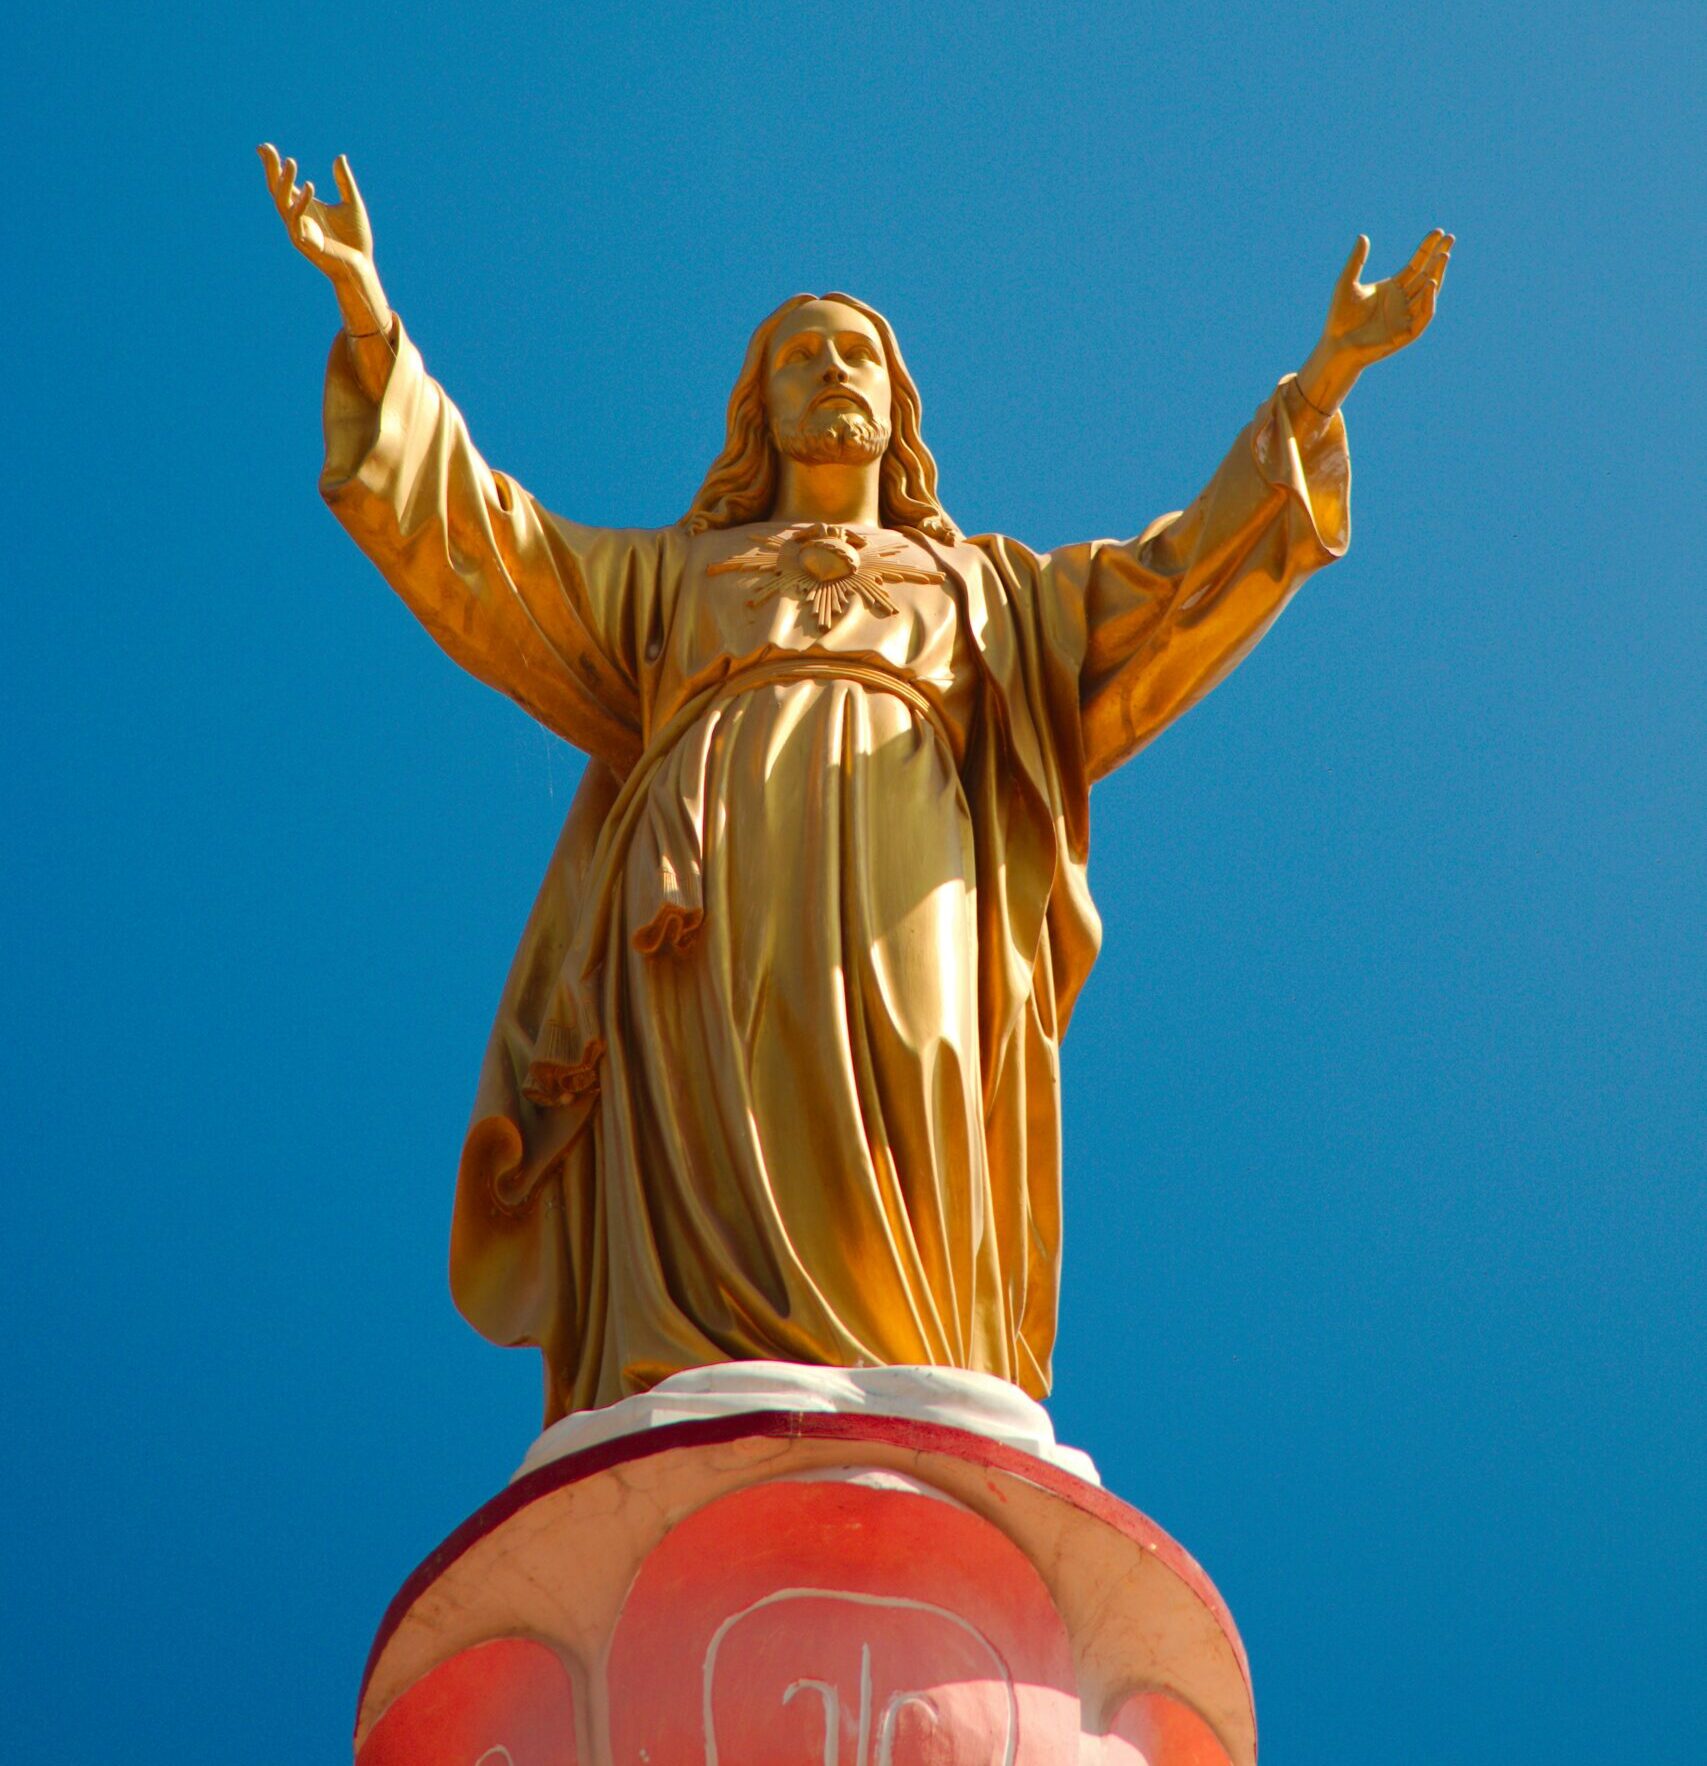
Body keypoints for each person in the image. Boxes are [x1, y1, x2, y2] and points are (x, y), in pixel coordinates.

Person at [260, 146, 1451, 1422]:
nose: (832, 370)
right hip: (705, 888)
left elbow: (1173, 584)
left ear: (897, 404)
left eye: (858, 356)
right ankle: (699, 1368)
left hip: (911, 858)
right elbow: (488, 544)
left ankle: (913, 1375)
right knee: (717, 1116)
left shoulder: (994, 591)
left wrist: (1323, 383)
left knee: (920, 1073)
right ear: (758, 412)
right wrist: (371, 319)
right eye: (800, 357)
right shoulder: (672, 576)